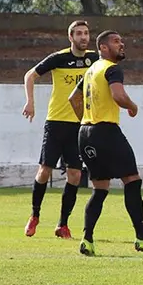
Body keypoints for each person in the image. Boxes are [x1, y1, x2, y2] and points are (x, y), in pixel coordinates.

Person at [68, 31, 143, 257]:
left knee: (100, 189)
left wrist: (85, 121)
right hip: (106, 131)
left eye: (121, 41)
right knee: (132, 180)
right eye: (116, 42)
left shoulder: (91, 70)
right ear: (103, 48)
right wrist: (132, 106)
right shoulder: (112, 69)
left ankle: (87, 239)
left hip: (85, 134)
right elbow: (118, 96)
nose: (121, 44)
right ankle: (142, 238)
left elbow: (72, 99)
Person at [21, 20, 96, 239]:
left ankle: (62, 224)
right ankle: (34, 216)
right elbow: (30, 75)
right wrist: (30, 102)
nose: (84, 37)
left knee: (75, 174)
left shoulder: (95, 59)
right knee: (45, 171)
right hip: (56, 122)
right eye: (79, 33)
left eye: (86, 33)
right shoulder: (59, 58)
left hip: (80, 125)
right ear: (71, 37)